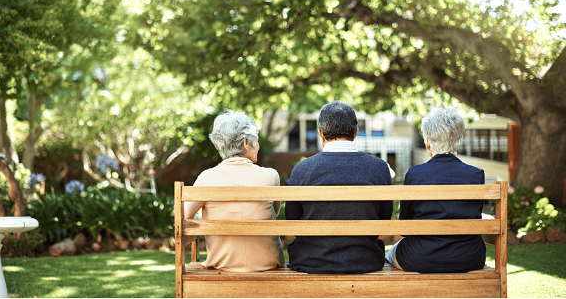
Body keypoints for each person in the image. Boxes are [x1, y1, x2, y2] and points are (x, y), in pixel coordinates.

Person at [285, 101, 394, 274]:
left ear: (320, 133)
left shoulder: (302, 169)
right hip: (366, 260)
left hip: (311, 261)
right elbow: (384, 218)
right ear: (356, 133)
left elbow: (292, 220)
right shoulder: (379, 167)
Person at [385, 107, 486, 273]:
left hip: (420, 257)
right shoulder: (476, 175)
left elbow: (405, 227)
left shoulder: (415, 175)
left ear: (427, 142)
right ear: (458, 140)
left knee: (390, 253)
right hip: (469, 257)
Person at [183, 110, 285, 272]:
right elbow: (274, 212)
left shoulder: (206, 178)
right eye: (256, 142)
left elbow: (182, 220)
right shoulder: (270, 176)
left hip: (223, 266)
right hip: (267, 265)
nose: (257, 147)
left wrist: (201, 218)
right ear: (246, 143)